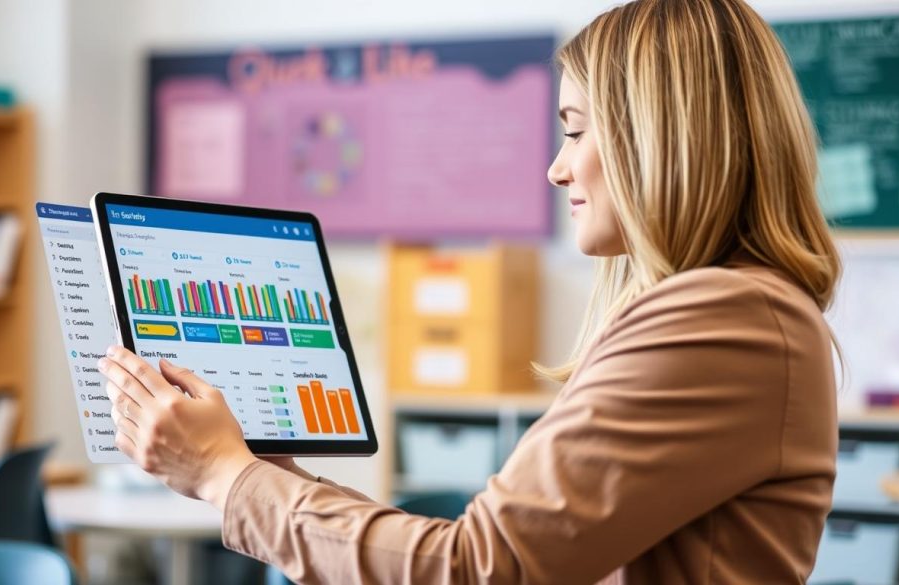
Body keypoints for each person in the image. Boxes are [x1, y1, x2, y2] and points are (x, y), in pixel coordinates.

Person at [97, 0, 841, 582]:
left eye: (576, 132)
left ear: (658, 136)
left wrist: (228, 476)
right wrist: (262, 475)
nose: (556, 169)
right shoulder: (739, 311)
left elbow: (478, 566)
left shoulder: (727, 318)